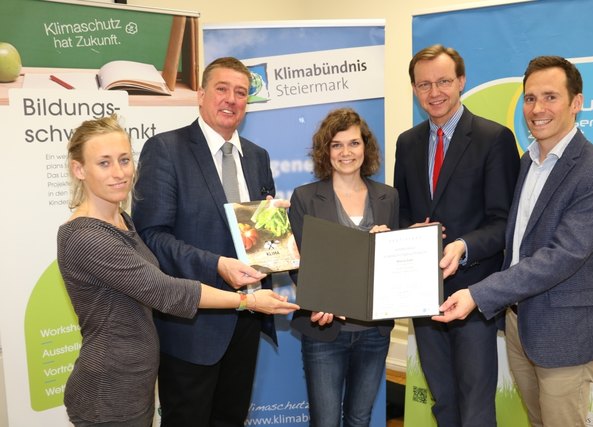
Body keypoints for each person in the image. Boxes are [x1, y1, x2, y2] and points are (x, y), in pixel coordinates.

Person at [57, 115, 299, 427]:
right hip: (108, 391)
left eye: (124, 160)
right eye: (104, 163)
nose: (119, 173)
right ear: (79, 170)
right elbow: (166, 291)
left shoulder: (122, 221)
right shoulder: (86, 236)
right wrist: (247, 302)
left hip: (135, 386)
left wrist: (267, 225)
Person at [433, 55, 593, 427]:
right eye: (530, 98)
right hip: (520, 326)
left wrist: (478, 294)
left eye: (550, 97)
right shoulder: (528, 162)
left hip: (564, 334)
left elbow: (562, 256)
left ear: (577, 103)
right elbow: (516, 240)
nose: (537, 109)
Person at [131, 57, 282, 426]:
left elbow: (261, 241)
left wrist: (278, 232)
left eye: (241, 92)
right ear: (201, 95)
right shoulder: (166, 149)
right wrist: (216, 265)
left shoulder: (258, 158)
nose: (231, 99)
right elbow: (152, 236)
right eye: (222, 89)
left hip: (246, 320)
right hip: (191, 326)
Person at [393, 44, 520, 426]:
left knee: (476, 407)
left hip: (473, 293)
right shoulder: (407, 142)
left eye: (444, 81)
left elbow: (504, 224)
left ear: (461, 81)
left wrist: (463, 246)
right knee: (443, 403)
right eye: (424, 84)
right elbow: (402, 214)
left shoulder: (493, 138)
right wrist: (404, 234)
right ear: (415, 89)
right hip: (423, 294)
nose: (435, 92)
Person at [288, 108, 399, 427]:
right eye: (337, 145)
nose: (346, 152)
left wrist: (393, 243)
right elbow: (298, 264)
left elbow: (394, 265)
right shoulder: (306, 198)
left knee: (360, 418)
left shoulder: (387, 198)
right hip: (325, 329)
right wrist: (316, 300)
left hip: (374, 332)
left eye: (353, 143)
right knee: (324, 422)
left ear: (366, 147)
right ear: (326, 151)